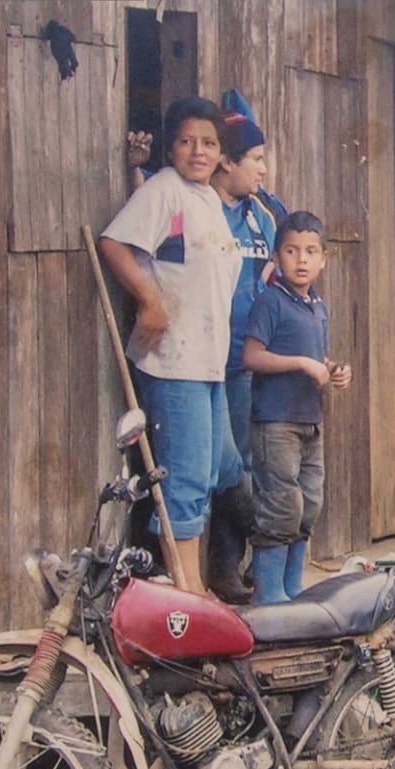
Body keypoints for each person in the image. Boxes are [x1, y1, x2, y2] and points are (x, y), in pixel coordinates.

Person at [100, 95, 242, 596]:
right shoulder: (164, 189)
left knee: (219, 468)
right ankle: (188, 594)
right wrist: (150, 300)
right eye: (185, 141)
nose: (196, 151)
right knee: (184, 476)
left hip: (209, 364)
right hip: (174, 361)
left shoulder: (207, 199)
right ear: (171, 146)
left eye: (207, 143)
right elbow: (115, 243)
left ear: (222, 153)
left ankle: (192, 582)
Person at [243, 212, 351, 604]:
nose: (301, 260)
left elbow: (317, 356)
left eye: (310, 252)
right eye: (291, 251)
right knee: (280, 505)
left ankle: (293, 588)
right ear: (277, 256)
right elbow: (252, 357)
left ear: (324, 259)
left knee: (310, 504)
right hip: (276, 422)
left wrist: (333, 369)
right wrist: (301, 364)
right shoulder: (271, 302)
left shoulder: (317, 307)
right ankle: (269, 595)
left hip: (310, 421)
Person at [204, 95, 282, 603]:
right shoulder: (203, 207)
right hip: (204, 358)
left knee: (247, 463)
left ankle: (228, 568)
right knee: (220, 465)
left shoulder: (263, 217)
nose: (262, 168)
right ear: (227, 162)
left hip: (247, 362)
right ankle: (271, 533)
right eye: (254, 159)